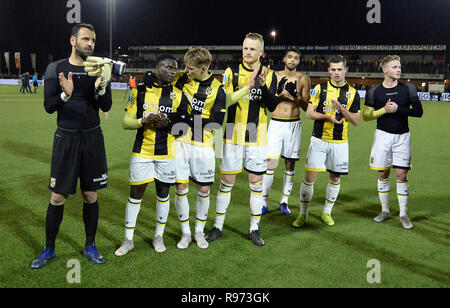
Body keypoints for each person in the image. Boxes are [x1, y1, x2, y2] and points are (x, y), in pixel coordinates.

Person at [31, 23, 113, 269]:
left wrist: (103, 84)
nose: (91, 44)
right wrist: (66, 94)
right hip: (66, 139)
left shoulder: (97, 68)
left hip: (92, 138)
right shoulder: (56, 68)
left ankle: (90, 245)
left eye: (93, 40)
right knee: (57, 197)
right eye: (86, 39)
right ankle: (49, 250)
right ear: (73, 41)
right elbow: (49, 106)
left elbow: (106, 106)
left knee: (90, 195)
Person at [206, 33, 279, 246]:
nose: (248, 52)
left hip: (257, 137)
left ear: (261, 52)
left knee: (256, 183)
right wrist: (247, 87)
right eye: (246, 48)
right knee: (226, 182)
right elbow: (225, 101)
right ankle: (218, 226)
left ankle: (254, 229)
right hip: (232, 134)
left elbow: (273, 106)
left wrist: (263, 85)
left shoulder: (270, 74)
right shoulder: (230, 72)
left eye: (253, 49)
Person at [115, 54, 191, 255]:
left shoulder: (179, 94)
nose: (172, 71)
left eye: (175, 68)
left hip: (166, 154)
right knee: (135, 195)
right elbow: (125, 122)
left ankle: (159, 236)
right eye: (168, 67)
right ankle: (128, 240)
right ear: (157, 68)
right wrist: (143, 121)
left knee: (163, 195)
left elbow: (185, 128)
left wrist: (170, 125)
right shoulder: (139, 91)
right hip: (142, 152)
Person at [292, 55, 360, 228]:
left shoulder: (353, 93)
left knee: (335, 178)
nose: (336, 73)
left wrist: (341, 110)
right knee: (309, 178)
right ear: (329, 70)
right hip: (319, 140)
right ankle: (303, 214)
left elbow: (356, 120)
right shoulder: (320, 89)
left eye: (340, 69)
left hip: (340, 142)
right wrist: (327, 116)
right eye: (333, 69)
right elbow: (309, 113)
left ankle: (327, 212)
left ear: (346, 70)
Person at [171, 47, 227, 250]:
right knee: (181, 187)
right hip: (181, 143)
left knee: (203, 188)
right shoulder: (180, 79)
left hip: (204, 146)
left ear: (203, 68)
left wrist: (188, 119)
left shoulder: (218, 88)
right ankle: (186, 233)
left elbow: (217, 123)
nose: (186, 71)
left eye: (190, 68)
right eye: (185, 66)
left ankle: (199, 231)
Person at [363, 55, 423, 230]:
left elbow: (418, 112)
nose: (399, 69)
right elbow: (366, 116)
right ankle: (385, 210)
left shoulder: (409, 88)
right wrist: (383, 110)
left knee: (401, 175)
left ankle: (403, 214)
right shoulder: (374, 91)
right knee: (383, 174)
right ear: (385, 70)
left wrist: (399, 109)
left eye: (399, 66)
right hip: (382, 136)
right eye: (395, 67)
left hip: (403, 136)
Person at [262, 48, 311, 215]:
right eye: (290, 57)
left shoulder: (303, 79)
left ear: (298, 61)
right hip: (275, 123)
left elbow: (306, 107)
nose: (292, 60)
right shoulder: (273, 76)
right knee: (270, 163)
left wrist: (294, 96)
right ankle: (264, 202)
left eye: (296, 58)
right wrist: (280, 95)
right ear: (284, 59)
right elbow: (268, 101)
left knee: (290, 164)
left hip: (293, 124)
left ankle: (284, 201)